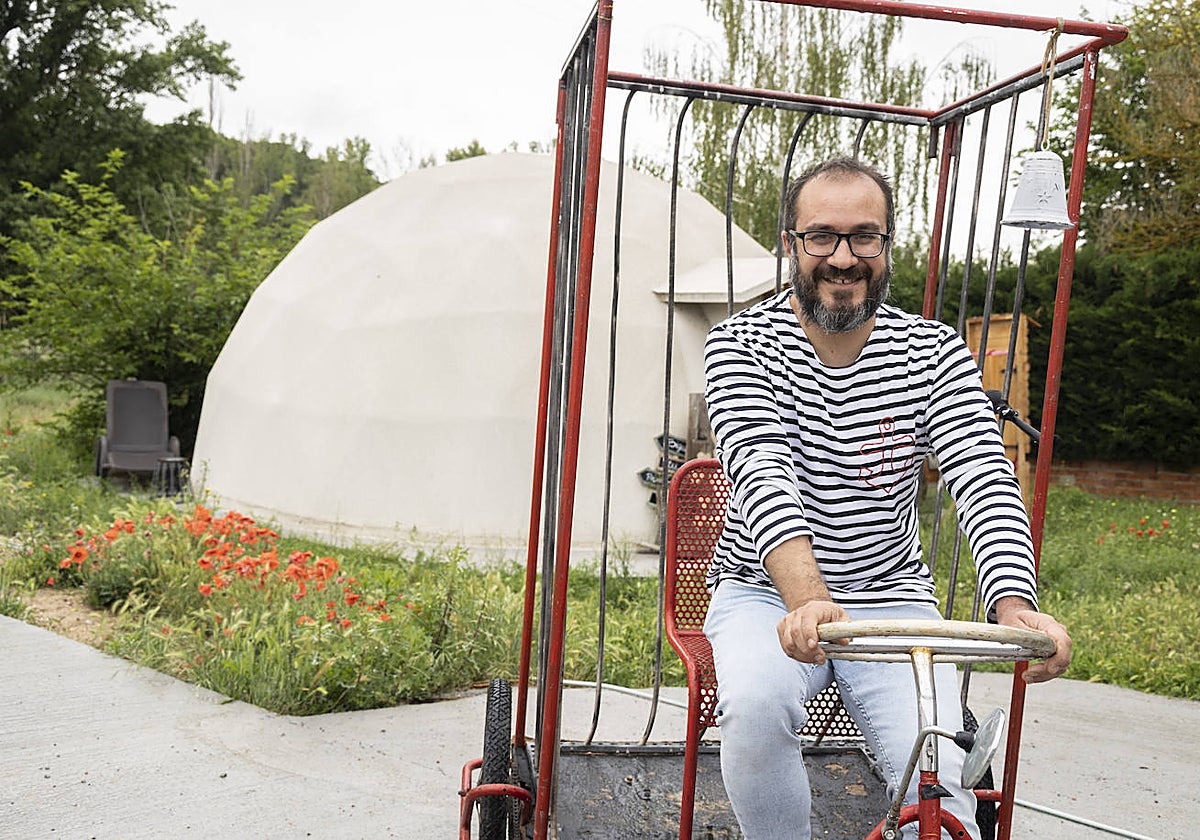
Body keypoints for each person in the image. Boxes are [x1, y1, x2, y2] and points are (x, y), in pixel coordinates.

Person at [701, 155, 1072, 839]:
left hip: (890, 596)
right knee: (753, 706)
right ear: (791, 244)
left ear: (887, 247)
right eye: (822, 236)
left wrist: (1016, 607)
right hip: (763, 592)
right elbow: (762, 469)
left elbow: (982, 474)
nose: (843, 258)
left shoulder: (932, 352)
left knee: (936, 757)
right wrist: (807, 598)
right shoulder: (740, 345)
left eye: (864, 236)